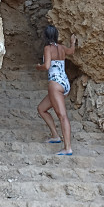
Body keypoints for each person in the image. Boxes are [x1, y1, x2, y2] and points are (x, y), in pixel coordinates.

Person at [36, 25, 76, 156]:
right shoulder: (62, 47)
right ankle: (55, 136)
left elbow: (47, 66)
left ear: (45, 36)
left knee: (62, 116)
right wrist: (72, 42)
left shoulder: (47, 48)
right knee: (41, 108)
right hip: (65, 82)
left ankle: (68, 148)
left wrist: (39, 67)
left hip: (55, 83)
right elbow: (71, 51)